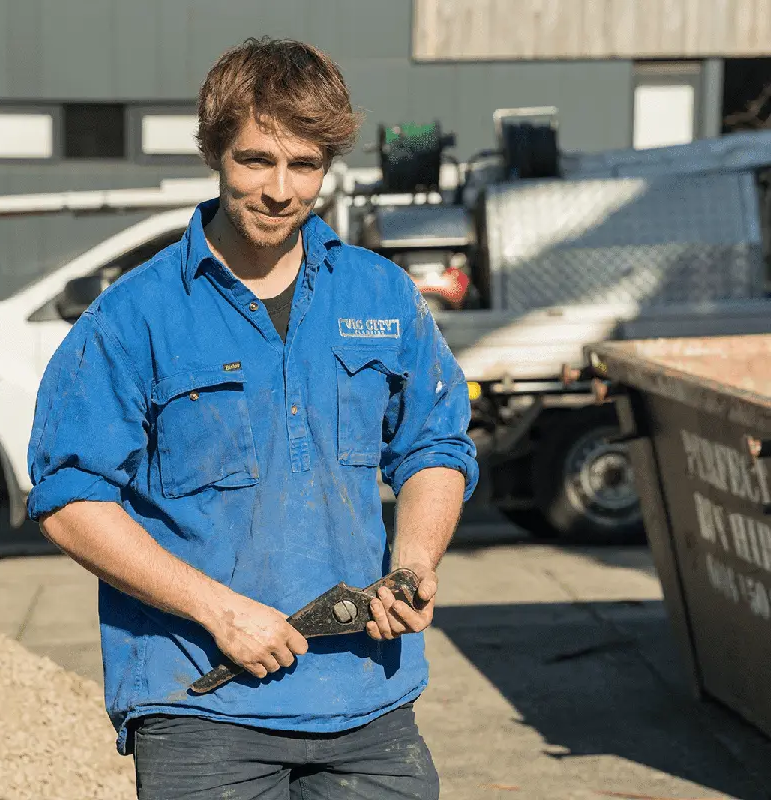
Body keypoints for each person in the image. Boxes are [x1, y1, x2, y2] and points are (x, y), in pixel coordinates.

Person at [26, 38, 477, 799]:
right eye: (256, 160)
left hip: (366, 700)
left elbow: (434, 442)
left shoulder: (379, 295)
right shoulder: (134, 316)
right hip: (200, 700)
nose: (279, 190)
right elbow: (69, 500)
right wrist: (221, 611)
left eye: (303, 166)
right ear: (215, 153)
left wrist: (415, 563)